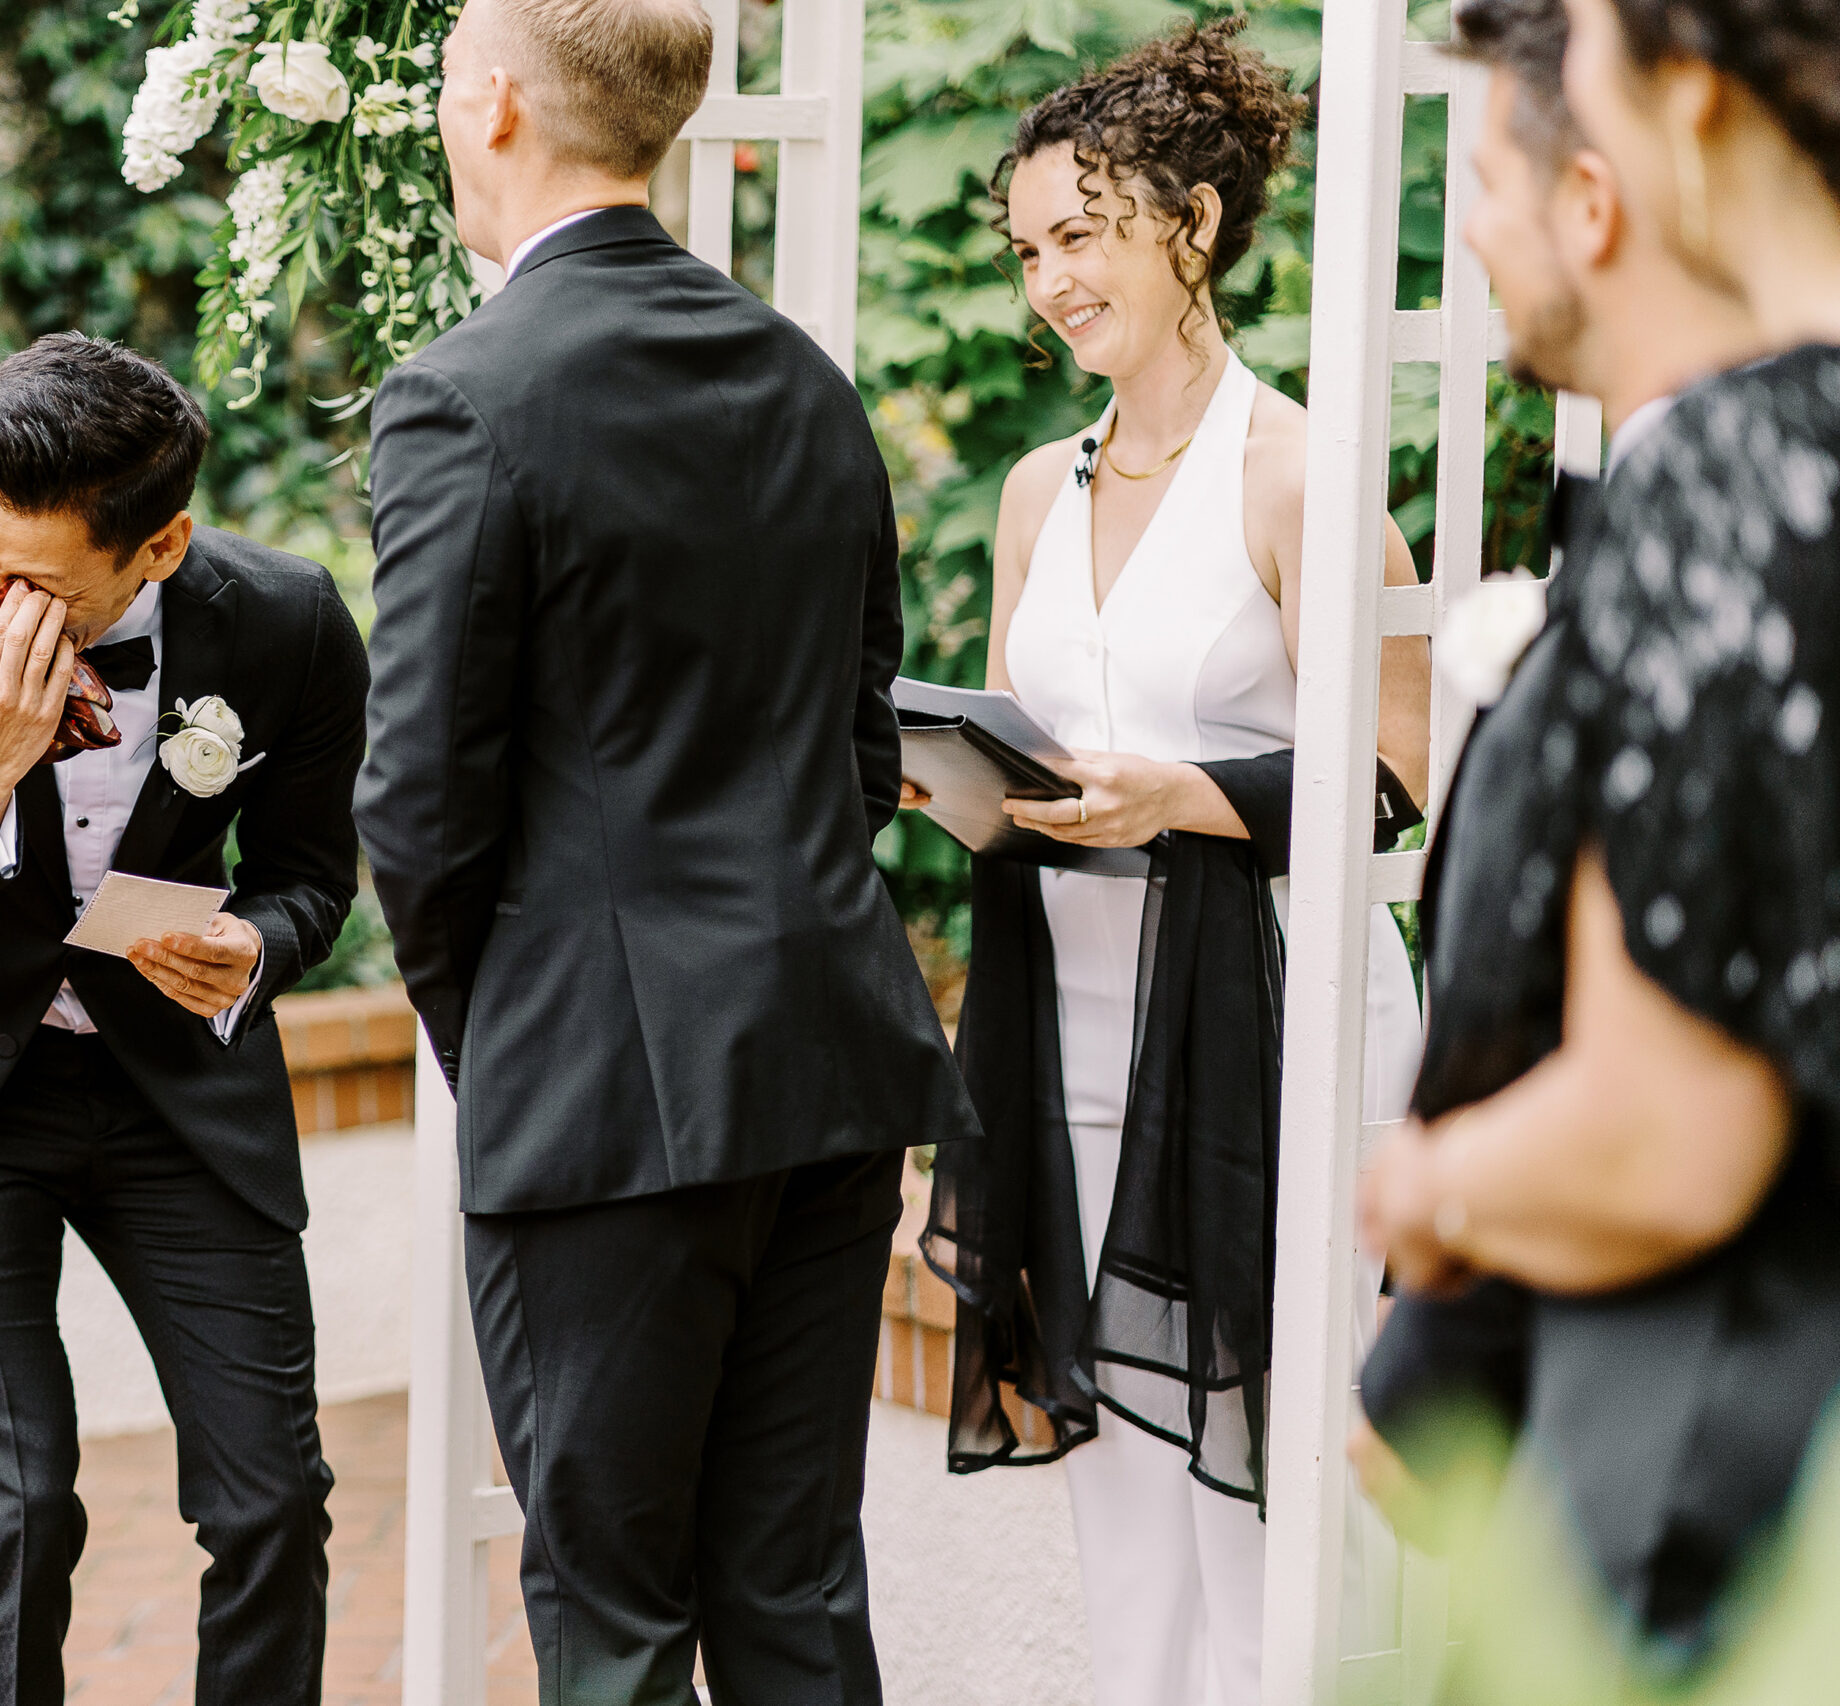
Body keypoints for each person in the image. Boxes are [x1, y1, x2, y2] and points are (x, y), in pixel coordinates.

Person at [355, 0, 981, 1697]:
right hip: (825, 1067)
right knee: (791, 1592)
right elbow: (860, 751)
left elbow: (416, 803)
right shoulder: (802, 377)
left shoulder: (463, 398)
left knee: (614, 1618)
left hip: (606, 1103)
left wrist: (506, 1035)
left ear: (489, 107)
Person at [909, 21, 1430, 1706]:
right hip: (1068, 1028)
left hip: (1273, 1034)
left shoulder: (1303, 478)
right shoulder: (1026, 492)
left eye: (1081, 235)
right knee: (1125, 1468)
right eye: (1027, 250)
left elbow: (1397, 783)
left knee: (1268, 1471)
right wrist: (964, 787)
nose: (1048, 281)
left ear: (1191, 227)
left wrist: (1179, 800)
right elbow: (1027, 730)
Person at [1358, 0, 1840, 1658]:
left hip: (1712, 1455)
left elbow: (1667, 1134)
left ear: (1685, 108)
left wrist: (1423, 1182)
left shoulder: (1740, 470)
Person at [0, 333, 368, 1706]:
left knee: (273, 1499)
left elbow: (310, 878)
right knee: (21, 1506)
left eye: (34, 582)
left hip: (175, 1087)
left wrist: (254, 943)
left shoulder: (284, 621)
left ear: (159, 544)